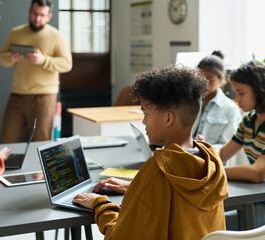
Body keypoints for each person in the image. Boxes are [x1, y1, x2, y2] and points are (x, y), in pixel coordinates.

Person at [72, 66, 228, 240]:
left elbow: (119, 237)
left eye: (146, 114)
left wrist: (99, 204)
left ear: (168, 118)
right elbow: (174, 203)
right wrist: (135, 190)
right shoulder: (211, 161)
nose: (143, 121)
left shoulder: (157, 171)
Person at [0, 0, 72, 143]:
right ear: (29, 12)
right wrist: (10, 57)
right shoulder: (16, 33)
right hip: (17, 95)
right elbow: (1, 56)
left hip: (44, 97)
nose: (37, 19)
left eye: (42, 15)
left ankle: (38, 167)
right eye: (34, 13)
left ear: (49, 17)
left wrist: (43, 60)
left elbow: (67, 64)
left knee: (41, 142)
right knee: (7, 141)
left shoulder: (56, 36)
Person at [218, 61, 265, 229]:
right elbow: (223, 154)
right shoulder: (249, 120)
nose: (236, 99)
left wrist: (214, 171)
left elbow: (256, 173)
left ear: (259, 90)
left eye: (241, 93)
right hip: (256, 198)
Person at [192, 50, 242, 150]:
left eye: (209, 79)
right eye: (200, 78)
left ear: (220, 78)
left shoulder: (230, 109)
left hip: (212, 161)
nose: (204, 83)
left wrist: (203, 148)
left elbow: (227, 146)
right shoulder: (189, 103)